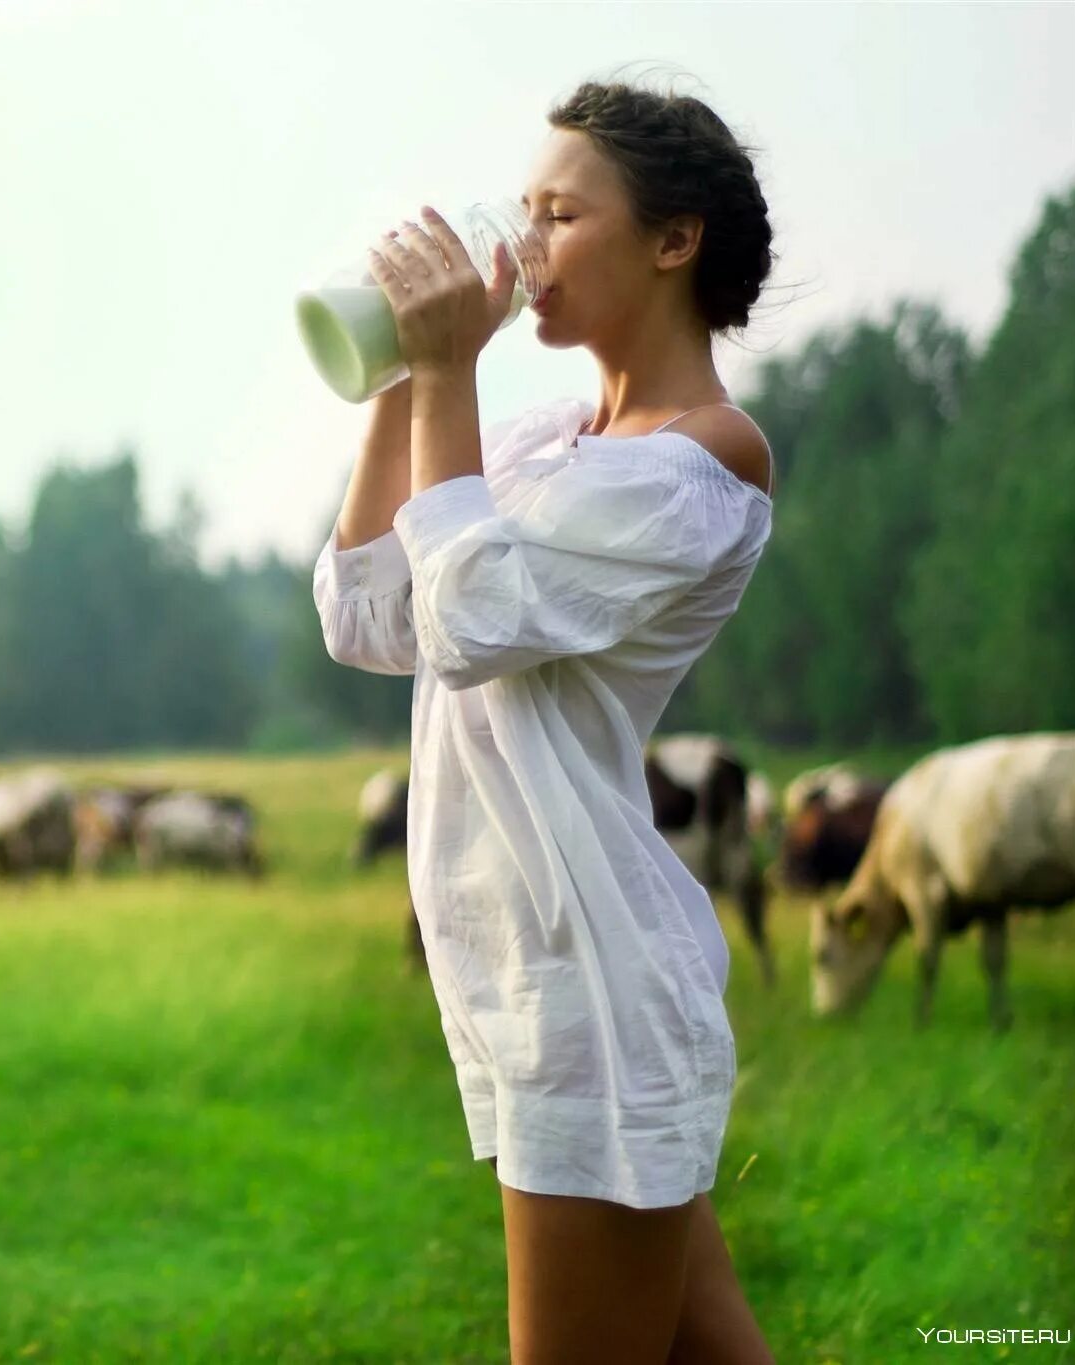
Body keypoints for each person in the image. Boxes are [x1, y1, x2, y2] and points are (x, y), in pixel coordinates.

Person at [311, 78, 780, 1365]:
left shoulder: (704, 459)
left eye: (558, 215)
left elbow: (474, 621)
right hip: (535, 976)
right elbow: (372, 619)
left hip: (591, 987)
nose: (522, 247)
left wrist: (448, 368)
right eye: (520, 212)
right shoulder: (530, 439)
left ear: (672, 240)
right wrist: (403, 378)